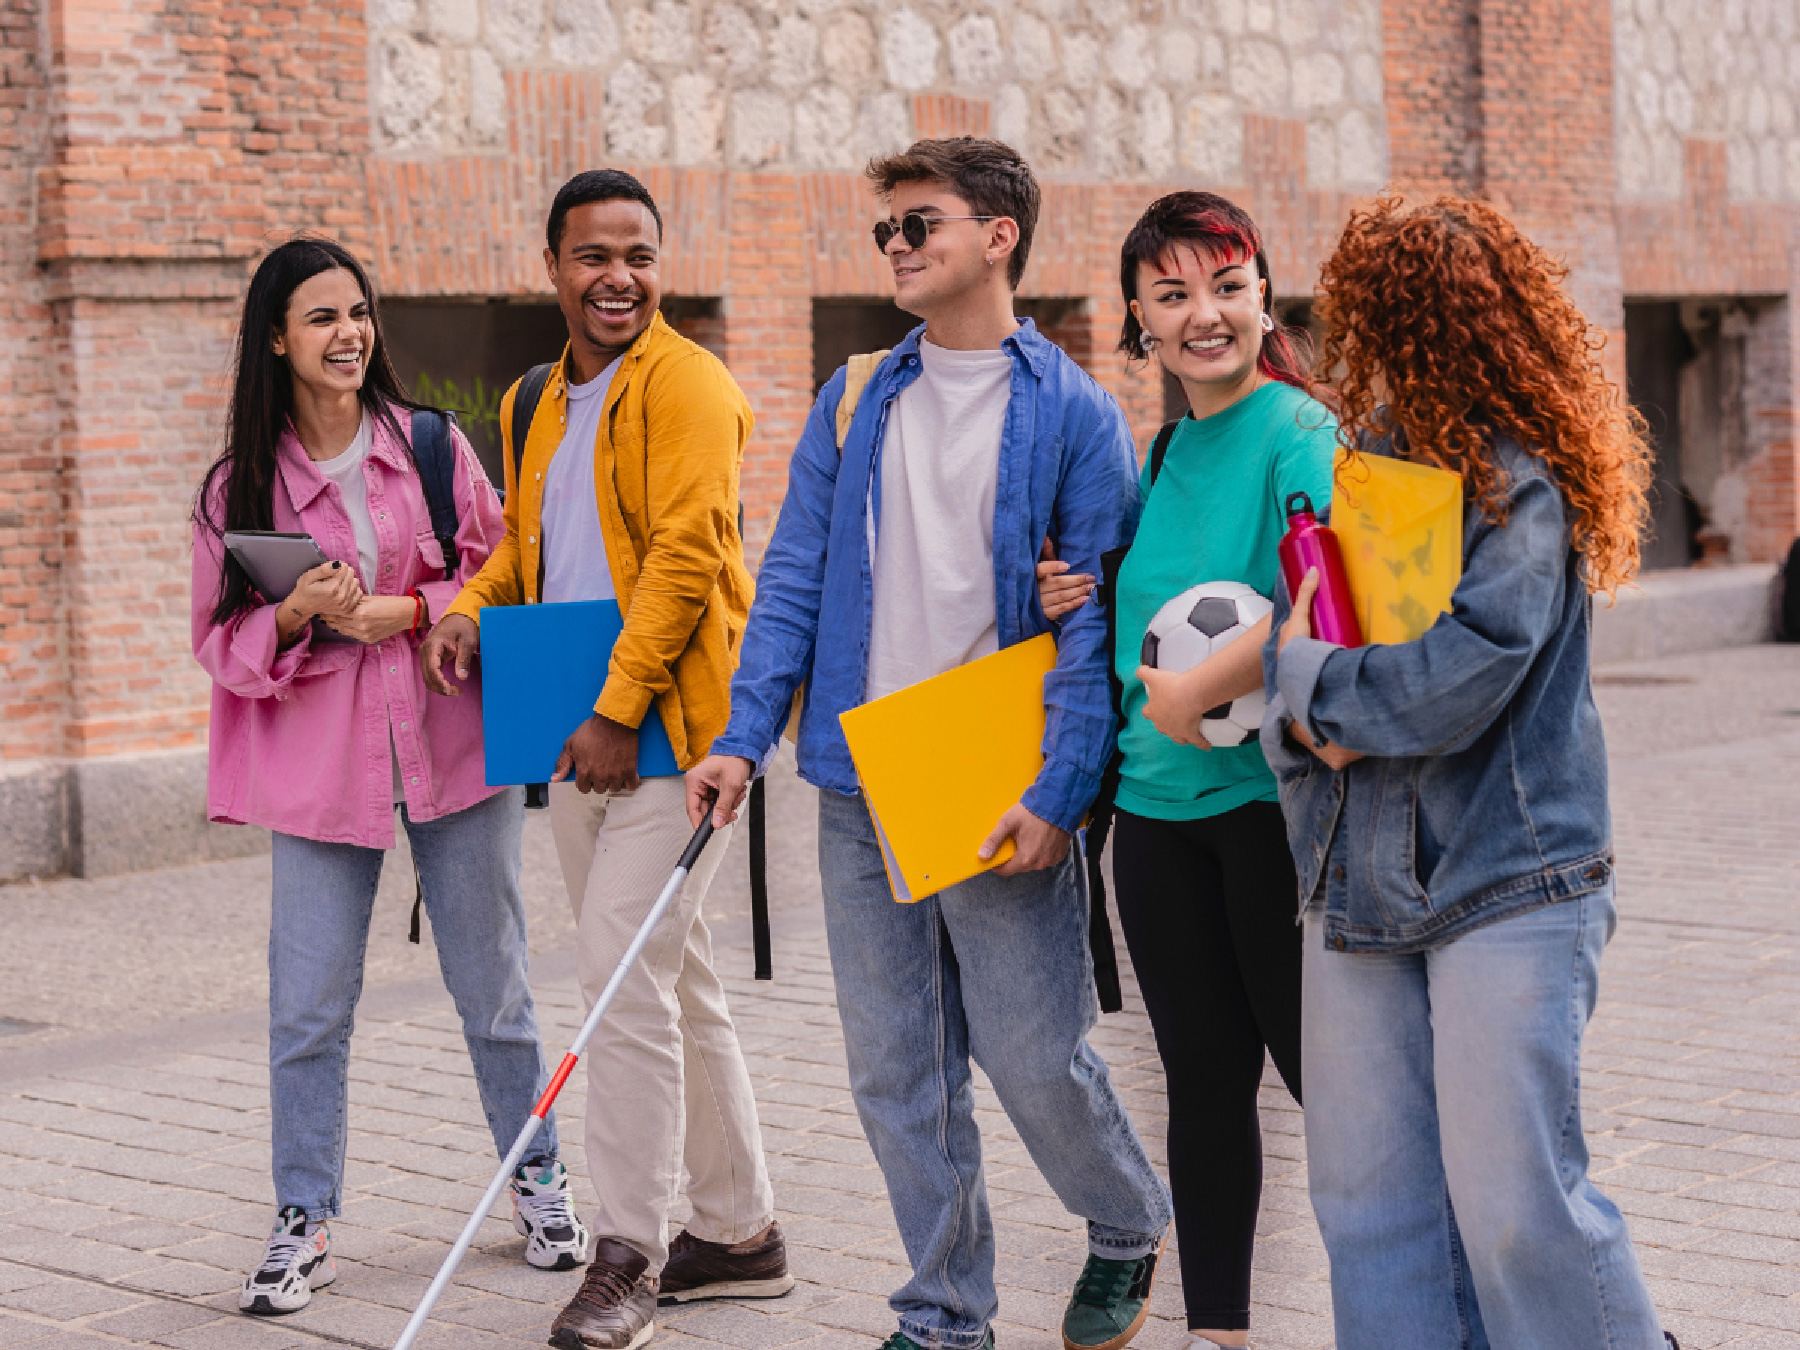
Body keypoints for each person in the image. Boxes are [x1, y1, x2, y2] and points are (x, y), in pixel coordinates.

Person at [688, 137, 1173, 1350]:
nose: (897, 247)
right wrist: (743, 738)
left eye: (921, 224)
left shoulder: (1073, 413)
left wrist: (1061, 792)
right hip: (858, 777)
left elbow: (1093, 624)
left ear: (999, 236)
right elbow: (791, 577)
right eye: (886, 231)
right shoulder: (857, 396)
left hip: (990, 770)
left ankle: (1124, 1219)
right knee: (896, 1072)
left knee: (1031, 1053)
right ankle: (945, 1310)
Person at [1264, 196, 1677, 1350]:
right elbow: (1294, 641)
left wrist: (1319, 695)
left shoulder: (1520, 481)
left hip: (1510, 881)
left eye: (1386, 323)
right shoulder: (1364, 470)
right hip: (1357, 886)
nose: (1368, 350)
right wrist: (1305, 702)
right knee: (1369, 1211)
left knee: (1514, 1210)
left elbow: (1465, 672)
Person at [421, 169, 786, 1350]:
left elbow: (686, 558)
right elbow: (528, 553)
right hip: (574, 730)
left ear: (658, 265)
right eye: (593, 255)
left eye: (637, 254)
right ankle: (740, 1235)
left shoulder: (690, 386)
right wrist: (472, 609)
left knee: (621, 984)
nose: (617, 276)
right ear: (553, 269)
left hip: (669, 737)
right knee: (675, 981)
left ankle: (625, 1251)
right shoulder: (541, 400)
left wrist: (622, 709)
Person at [192, 237, 587, 1317]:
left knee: (494, 990)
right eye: (321, 317)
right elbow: (220, 645)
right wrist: (294, 612)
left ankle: (538, 1177)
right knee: (308, 1009)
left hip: (454, 754)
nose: (348, 333)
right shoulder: (241, 484)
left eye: (357, 311)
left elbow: (501, 569)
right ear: (277, 337)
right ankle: (303, 1216)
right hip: (320, 779)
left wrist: (411, 610)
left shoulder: (429, 446)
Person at [1039, 193, 1332, 1350]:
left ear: (1265, 294)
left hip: (1270, 812)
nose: (1204, 314)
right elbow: (1162, 605)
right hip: (1157, 821)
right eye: (1173, 296)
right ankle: (1218, 1333)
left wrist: (1204, 692)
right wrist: (1081, 593)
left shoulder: (1301, 433)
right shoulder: (1160, 448)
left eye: (1226, 285)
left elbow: (1326, 596)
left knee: (1327, 1082)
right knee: (1203, 1090)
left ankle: (1442, 1298)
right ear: (1139, 322)